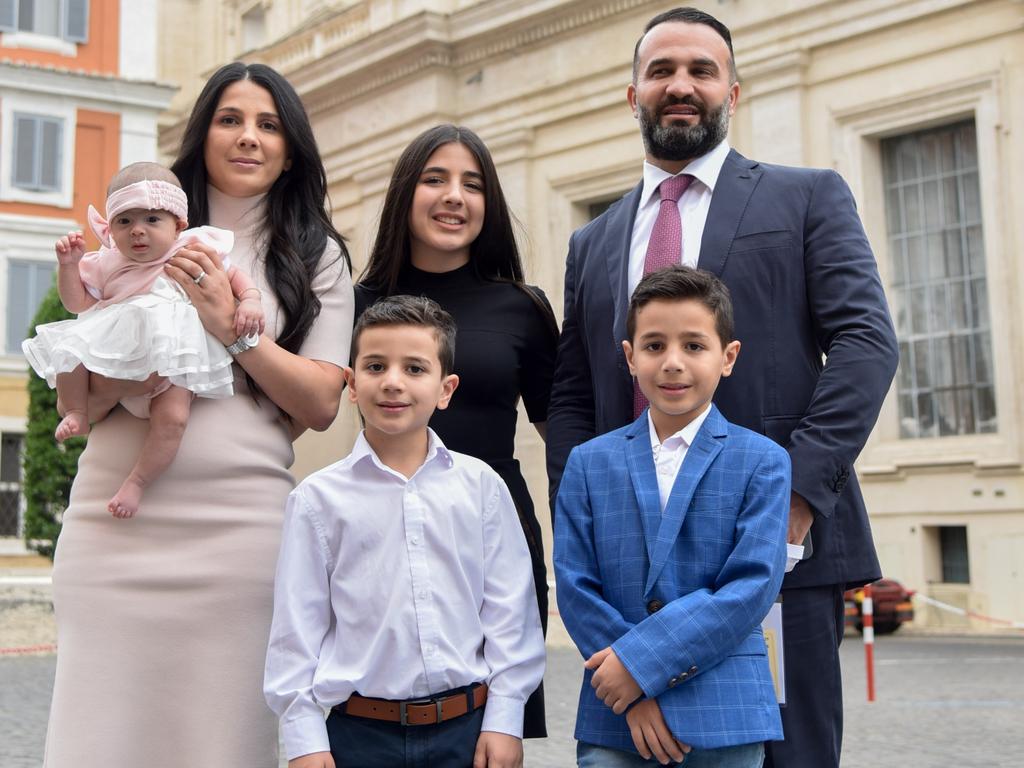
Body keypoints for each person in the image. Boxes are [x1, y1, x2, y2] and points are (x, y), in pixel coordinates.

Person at [545, 8, 899, 768]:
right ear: (631, 94)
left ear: (733, 91)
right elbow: (574, 391)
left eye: (701, 71)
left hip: (779, 554)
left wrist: (795, 502)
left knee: (789, 757)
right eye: (662, 71)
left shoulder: (807, 198)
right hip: (629, 573)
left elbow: (867, 345)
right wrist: (581, 511)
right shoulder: (593, 241)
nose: (681, 85)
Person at [43, 63, 354, 768]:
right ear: (202, 131)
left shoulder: (316, 256)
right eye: (231, 119)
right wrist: (114, 383)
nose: (249, 137)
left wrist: (233, 328)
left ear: (291, 144)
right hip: (111, 525)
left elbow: (320, 403)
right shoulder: (137, 232)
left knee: (224, 744)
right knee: (98, 740)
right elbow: (89, 348)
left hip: (242, 537)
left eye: (269, 124)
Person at [265, 295, 545, 768]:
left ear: (446, 388)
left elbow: (510, 613)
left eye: (414, 369)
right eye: (376, 366)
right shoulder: (317, 500)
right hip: (358, 738)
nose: (393, 382)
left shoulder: (481, 487)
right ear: (351, 384)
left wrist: (505, 719)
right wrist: (304, 741)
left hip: (469, 733)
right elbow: (297, 628)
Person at [355, 123, 558, 737]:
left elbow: (564, 435)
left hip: (492, 536)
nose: (454, 196)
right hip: (378, 528)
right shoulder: (353, 302)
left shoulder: (523, 306)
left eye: (473, 184)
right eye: (435, 179)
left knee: (488, 734)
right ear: (404, 194)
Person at [555, 266, 789, 767]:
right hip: (615, 710)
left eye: (694, 346)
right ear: (629, 356)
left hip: (724, 707)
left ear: (728, 357)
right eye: (655, 345)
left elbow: (750, 587)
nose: (673, 363)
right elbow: (576, 584)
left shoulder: (764, 460)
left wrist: (641, 667)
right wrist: (631, 690)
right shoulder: (589, 461)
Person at [24, 162, 264, 518]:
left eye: (152, 220)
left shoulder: (194, 248)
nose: (137, 231)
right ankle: (76, 409)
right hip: (117, 353)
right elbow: (77, 303)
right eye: (125, 221)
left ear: (178, 225)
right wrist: (69, 267)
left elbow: (235, 276)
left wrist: (251, 300)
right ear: (110, 229)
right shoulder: (108, 261)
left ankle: (137, 482)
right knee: (70, 350)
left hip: (173, 359)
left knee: (174, 419)